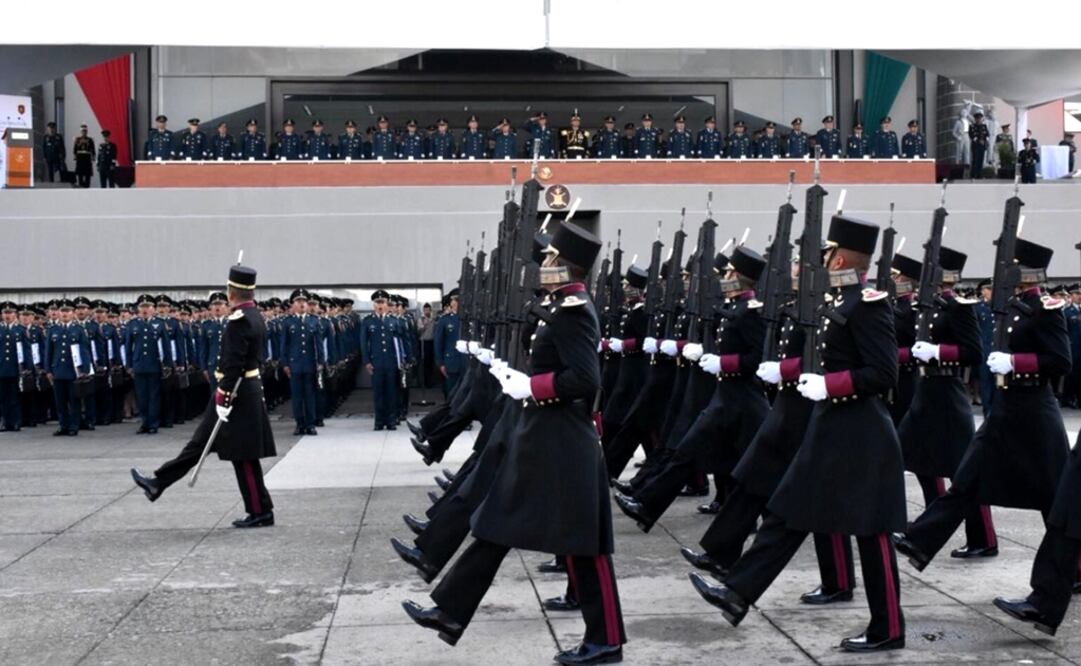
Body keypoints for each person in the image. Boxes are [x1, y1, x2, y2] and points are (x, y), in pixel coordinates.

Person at [403, 222, 626, 665]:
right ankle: (449, 612)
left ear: (567, 266)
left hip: (564, 445)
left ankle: (607, 642)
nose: (543, 264)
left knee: (586, 547)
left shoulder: (576, 310)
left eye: (550, 259)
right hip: (542, 438)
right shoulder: (559, 306)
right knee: (495, 523)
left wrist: (533, 386)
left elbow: (586, 379)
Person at [690, 215, 908, 653]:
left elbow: (884, 373)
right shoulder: (838, 302)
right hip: (830, 427)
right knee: (786, 511)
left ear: (842, 257)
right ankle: (737, 594)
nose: (819, 260)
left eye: (826, 253)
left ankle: (889, 628)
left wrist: (831, 384)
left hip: (862, 434)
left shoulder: (867, 304)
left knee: (872, 533)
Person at [894, 239, 1071, 576]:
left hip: (1034, 411)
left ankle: (1075, 569)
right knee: (966, 480)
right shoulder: (1012, 307)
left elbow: (1061, 360)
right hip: (1005, 409)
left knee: (1052, 495)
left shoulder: (1044, 309)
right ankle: (920, 540)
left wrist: (1015, 361)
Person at [130, 263, 278, 529]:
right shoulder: (254, 316)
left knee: (241, 456)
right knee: (203, 445)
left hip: (236, 396)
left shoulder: (239, 321)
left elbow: (233, 365)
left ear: (232, 292)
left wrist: (223, 397)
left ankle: (261, 511)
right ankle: (158, 483)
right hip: (243, 393)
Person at [898, 247, 998, 561]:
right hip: (924, 390)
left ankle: (984, 538)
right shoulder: (925, 306)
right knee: (919, 462)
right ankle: (930, 525)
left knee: (961, 469)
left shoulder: (958, 307)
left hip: (948, 392)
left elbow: (973, 352)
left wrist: (938, 352)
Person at [44, 300, 91, 437]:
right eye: (62, 311)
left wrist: (85, 370)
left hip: (73, 371)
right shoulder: (53, 330)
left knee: (74, 400)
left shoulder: (79, 329)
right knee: (60, 401)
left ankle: (74, 425)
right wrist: (48, 370)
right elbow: (49, 352)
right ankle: (63, 425)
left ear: (73, 313)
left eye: (68, 311)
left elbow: (85, 351)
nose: (65, 314)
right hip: (58, 370)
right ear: (58, 313)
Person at [280, 289, 324, 436]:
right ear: (293, 305)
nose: (302, 304)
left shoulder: (314, 320)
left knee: (310, 395)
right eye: (298, 302)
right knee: (297, 396)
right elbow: (284, 345)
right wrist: (285, 364)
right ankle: (300, 424)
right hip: (295, 365)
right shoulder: (288, 322)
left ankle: (310, 424)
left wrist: (320, 362)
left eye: (304, 302)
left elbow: (318, 344)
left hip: (310, 364)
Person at [125, 294, 170, 434]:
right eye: (142, 307)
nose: (145, 310)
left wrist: (167, 364)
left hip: (154, 364)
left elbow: (166, 346)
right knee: (142, 396)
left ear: (153, 309)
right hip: (139, 365)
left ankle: (153, 423)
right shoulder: (132, 324)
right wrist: (129, 365)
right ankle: (145, 422)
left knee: (154, 395)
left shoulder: (160, 324)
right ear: (138, 309)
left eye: (148, 307)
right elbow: (128, 347)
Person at [362, 290, 400, 431]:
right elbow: (364, 343)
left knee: (391, 392)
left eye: (383, 302)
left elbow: (399, 342)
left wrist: (401, 360)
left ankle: (391, 420)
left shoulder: (393, 321)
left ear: (387, 304)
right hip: (376, 363)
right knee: (378, 393)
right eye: (377, 303)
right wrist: (367, 361)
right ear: (373, 305)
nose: (380, 305)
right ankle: (379, 421)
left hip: (391, 362)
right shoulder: (368, 321)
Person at [0, 302, 31, 431]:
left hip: (15, 368)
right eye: (5, 313)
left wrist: (27, 367)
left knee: (15, 396)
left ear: (15, 315)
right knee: (2, 397)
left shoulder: (21, 330)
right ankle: (4, 421)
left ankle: (16, 421)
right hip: (1, 369)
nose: (8, 315)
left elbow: (27, 350)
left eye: (10, 313)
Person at [974, 279, 995, 415]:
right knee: (985, 384)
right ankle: (987, 411)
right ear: (983, 291)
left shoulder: (1001, 306)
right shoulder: (977, 308)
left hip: (998, 351)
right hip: (984, 350)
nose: (991, 292)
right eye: (988, 289)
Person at [419, 302, 436, 388]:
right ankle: (424, 382)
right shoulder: (421, 319)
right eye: (425, 310)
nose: (427, 312)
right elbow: (418, 331)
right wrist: (424, 325)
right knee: (425, 363)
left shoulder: (434, 319)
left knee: (431, 362)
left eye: (428, 310)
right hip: (423, 343)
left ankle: (431, 382)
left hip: (432, 342)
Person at [969, 111, 990, 179]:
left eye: (980, 118)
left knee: (981, 160)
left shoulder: (984, 126)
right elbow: (972, 135)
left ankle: (979, 175)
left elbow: (987, 134)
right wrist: (979, 141)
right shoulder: (972, 126)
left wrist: (985, 141)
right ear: (975, 119)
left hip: (982, 145)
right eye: (977, 118)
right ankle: (973, 175)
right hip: (976, 146)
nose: (979, 120)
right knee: (975, 160)